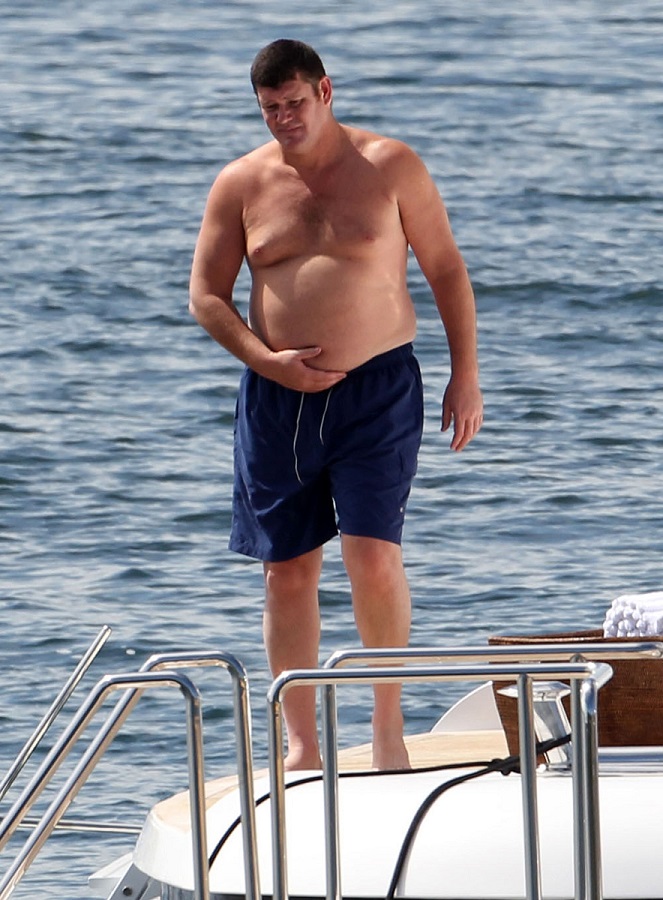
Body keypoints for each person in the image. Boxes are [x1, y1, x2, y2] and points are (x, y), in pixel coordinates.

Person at [189, 39, 483, 771]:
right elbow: (206, 296)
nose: (283, 118)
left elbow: (446, 268)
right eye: (269, 109)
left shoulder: (390, 165)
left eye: (294, 102)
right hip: (277, 399)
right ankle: (302, 744)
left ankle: (387, 729)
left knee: (373, 558)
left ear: (325, 91)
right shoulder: (241, 183)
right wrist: (266, 362)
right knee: (287, 570)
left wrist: (466, 375)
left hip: (378, 389)